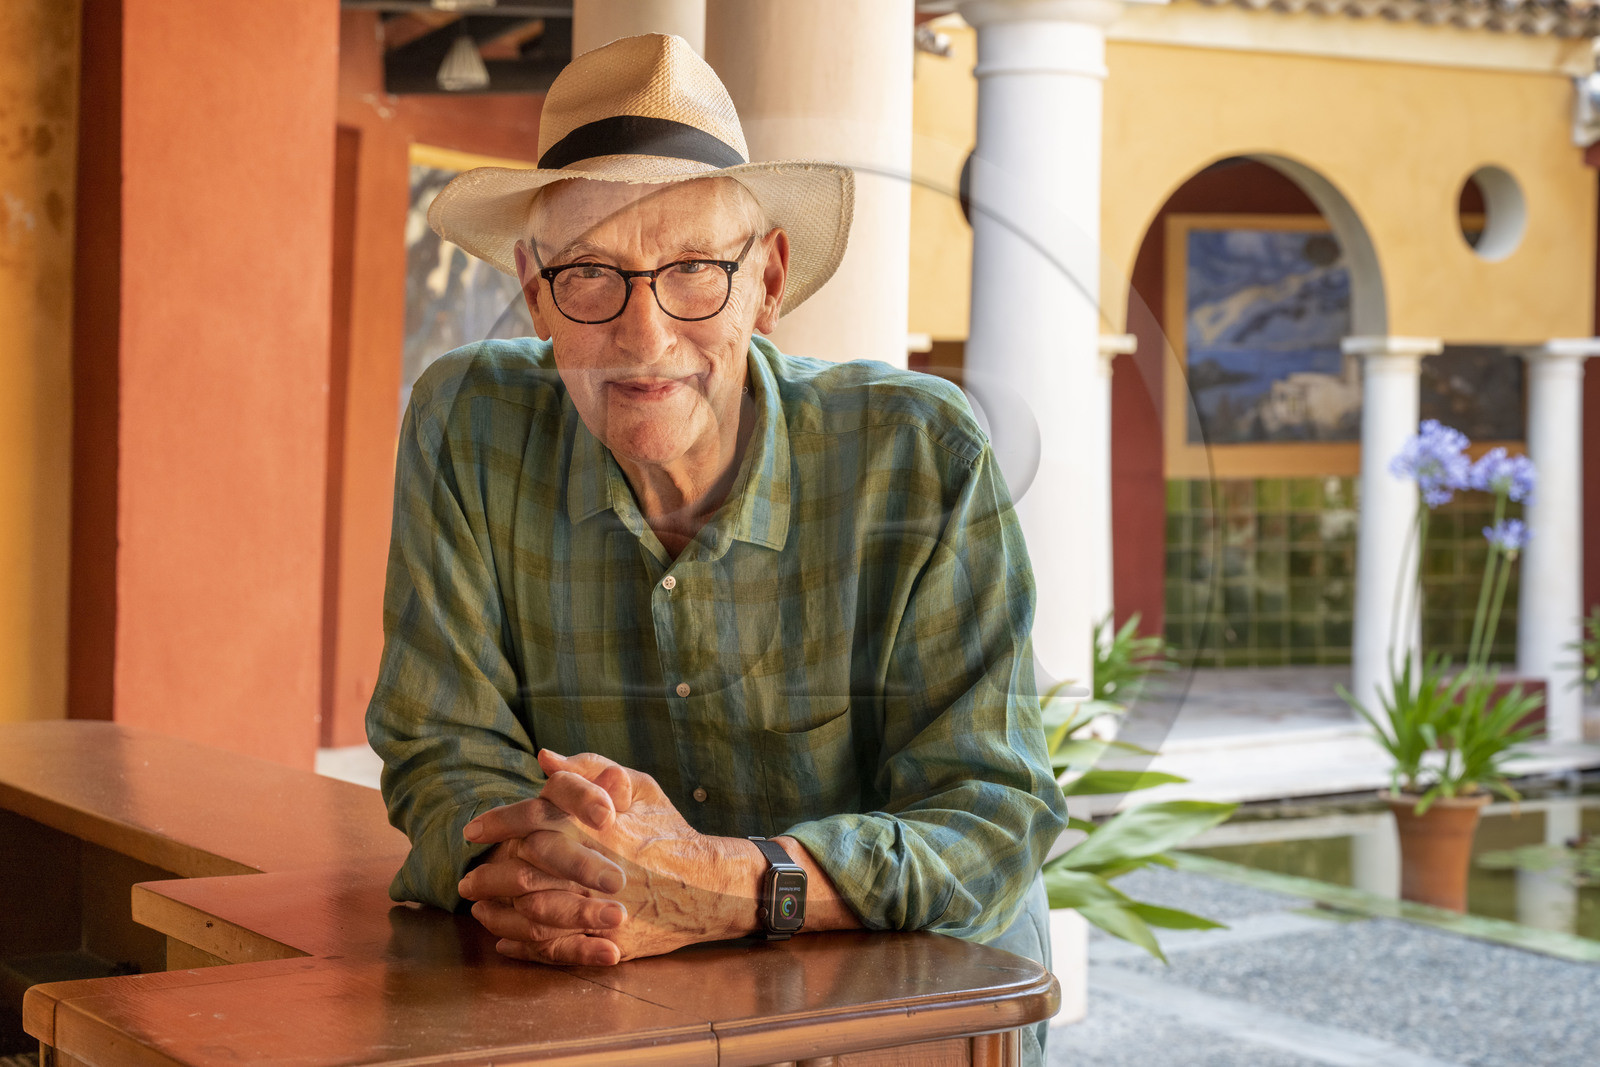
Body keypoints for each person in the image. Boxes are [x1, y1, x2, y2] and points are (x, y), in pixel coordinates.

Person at [367, 31, 1067, 1062]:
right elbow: (441, 750)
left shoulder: (917, 452)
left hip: (904, 1025)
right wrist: (567, 870)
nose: (645, 336)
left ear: (767, 277)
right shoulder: (464, 420)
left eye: (693, 270)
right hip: (610, 1013)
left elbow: (992, 820)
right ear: (531, 285)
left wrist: (723, 882)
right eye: (591, 275)